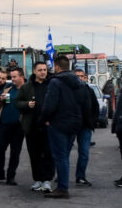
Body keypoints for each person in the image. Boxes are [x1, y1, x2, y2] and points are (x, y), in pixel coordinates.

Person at [40, 56, 97, 200]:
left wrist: (44, 119)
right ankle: (63, 184)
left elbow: (49, 104)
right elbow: (87, 104)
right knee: (64, 156)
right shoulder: (80, 83)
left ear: (57, 67)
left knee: (60, 156)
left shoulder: (55, 82)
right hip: (75, 123)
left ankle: (62, 188)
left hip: (58, 123)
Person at [17, 61, 56, 192]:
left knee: (48, 154)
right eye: (40, 70)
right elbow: (17, 103)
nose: (43, 72)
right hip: (32, 126)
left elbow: (58, 103)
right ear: (34, 71)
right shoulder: (26, 87)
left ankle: (47, 180)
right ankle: (38, 180)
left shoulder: (52, 85)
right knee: (34, 154)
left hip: (48, 127)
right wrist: (27, 104)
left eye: (44, 69)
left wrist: (52, 119)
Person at [0, 67, 26, 185]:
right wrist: (1, 99)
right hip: (3, 125)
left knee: (15, 153)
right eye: (11, 77)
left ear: (21, 76)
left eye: (14, 77)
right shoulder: (8, 88)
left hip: (18, 127)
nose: (12, 79)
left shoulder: (27, 89)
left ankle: (11, 176)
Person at [73, 69, 98, 187]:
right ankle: (61, 175)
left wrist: (92, 121)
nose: (80, 78)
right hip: (70, 126)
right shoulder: (68, 91)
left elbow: (95, 108)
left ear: (85, 78)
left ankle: (81, 176)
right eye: (77, 76)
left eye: (82, 76)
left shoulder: (89, 91)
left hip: (85, 126)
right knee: (64, 153)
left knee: (84, 153)